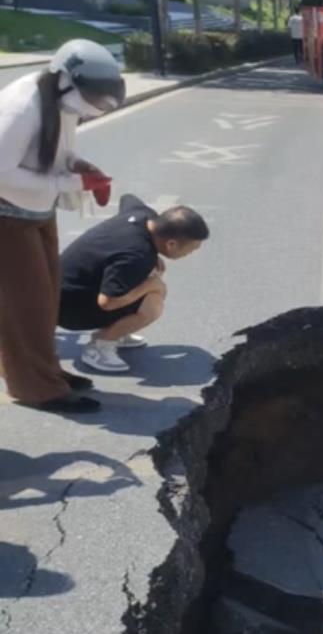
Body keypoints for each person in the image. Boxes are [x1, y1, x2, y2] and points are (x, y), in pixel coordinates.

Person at [0, 39, 123, 414]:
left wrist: (79, 168)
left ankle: (45, 371)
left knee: (46, 299)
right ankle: (36, 389)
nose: (93, 107)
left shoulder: (61, 102)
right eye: (92, 98)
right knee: (26, 307)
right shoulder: (22, 106)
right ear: (65, 79)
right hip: (7, 217)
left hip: (36, 211)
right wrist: (69, 183)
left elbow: (57, 152)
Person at [58, 196, 210, 374]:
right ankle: (101, 345)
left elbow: (127, 198)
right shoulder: (137, 256)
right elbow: (107, 302)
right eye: (191, 249)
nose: (192, 253)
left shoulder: (142, 215)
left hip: (60, 290)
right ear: (171, 244)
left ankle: (119, 328)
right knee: (153, 304)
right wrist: (152, 285)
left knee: (145, 277)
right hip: (68, 310)